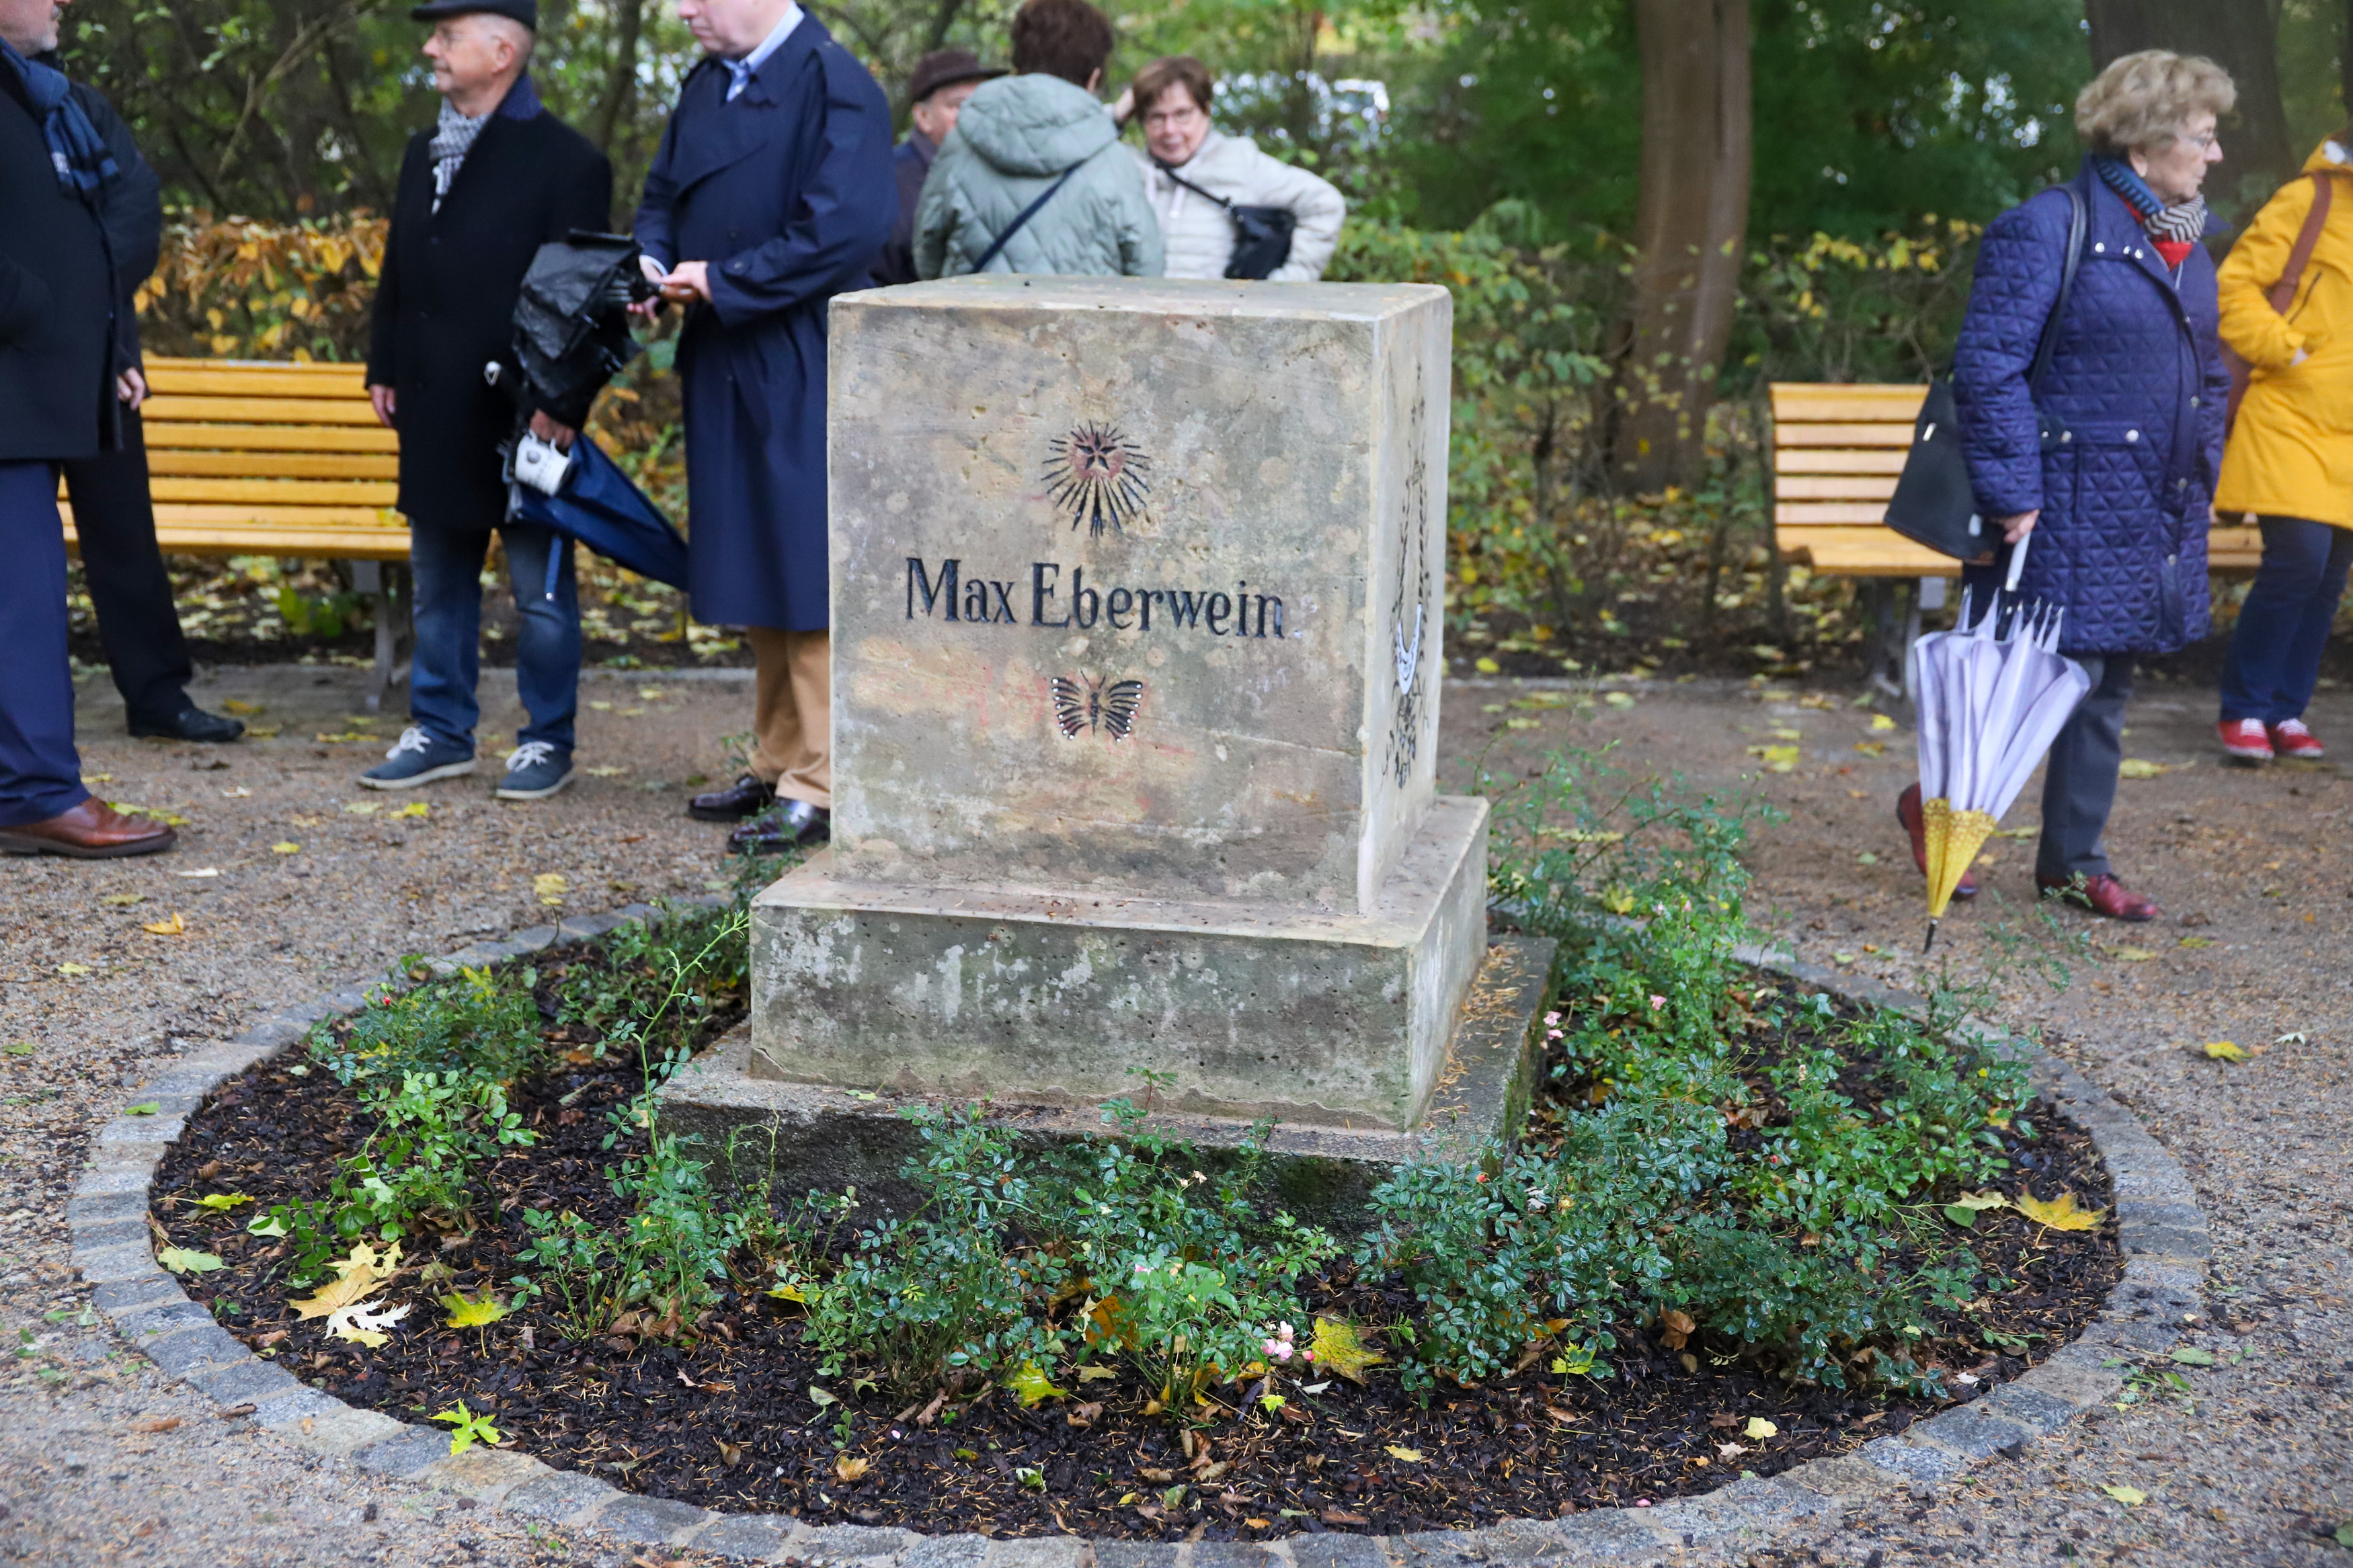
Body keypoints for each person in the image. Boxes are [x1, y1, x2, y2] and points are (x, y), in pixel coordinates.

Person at [1938, 48, 2233, 924]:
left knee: (2103, 687)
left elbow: (2207, 376)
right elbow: (1987, 367)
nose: (2214, 154)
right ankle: (1941, 814)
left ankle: (2073, 864)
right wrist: (2009, 488)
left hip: (2145, 505)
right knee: (2014, 680)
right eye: (2201, 137)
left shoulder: (2189, 246)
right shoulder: (2045, 228)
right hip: (2053, 503)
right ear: (2142, 146)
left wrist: (2201, 470)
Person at [636, 0, 897, 852]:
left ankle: (823, 778)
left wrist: (726, 279)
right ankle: (778, 757)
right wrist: (650, 265)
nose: (684, 9)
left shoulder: (837, 82)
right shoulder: (705, 84)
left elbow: (846, 227)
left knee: (804, 561)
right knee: (754, 557)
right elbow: (661, 195)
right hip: (723, 350)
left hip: (800, 348)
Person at [361, 0, 612, 801]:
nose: (430, 50)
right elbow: (400, 268)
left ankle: (546, 741)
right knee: (438, 584)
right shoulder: (422, 151)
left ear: (501, 52)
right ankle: (440, 731)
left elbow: (585, 296)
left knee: (540, 597)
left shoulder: (569, 161)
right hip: (434, 403)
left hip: (526, 414)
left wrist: (563, 403)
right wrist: (384, 364)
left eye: (447, 37)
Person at [0, 0, 173, 858]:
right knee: (22, 597)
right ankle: (34, 791)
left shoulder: (38, 95)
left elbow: (110, 220)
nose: (60, 0)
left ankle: (29, 787)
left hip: (36, 383)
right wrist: (33, 309)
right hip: (14, 383)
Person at [42, 40, 245, 745]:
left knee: (125, 533)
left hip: (103, 362)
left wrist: (107, 340)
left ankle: (157, 696)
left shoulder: (80, 107)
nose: (63, 1)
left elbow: (134, 210)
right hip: (16, 368)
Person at [2210, 130, 2353, 764]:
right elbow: (2233, 288)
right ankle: (2243, 706)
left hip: (2348, 436)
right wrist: (2288, 351)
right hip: (2287, 414)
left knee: (2328, 576)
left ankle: (2285, 710)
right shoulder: (2309, 199)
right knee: (2300, 557)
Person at [912, 0, 1161, 280]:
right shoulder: (1112, 159)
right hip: (1082, 309)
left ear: (1018, 64)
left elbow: (927, 251)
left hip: (972, 308)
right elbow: (1146, 267)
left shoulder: (962, 142)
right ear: (1094, 77)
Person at [1124, 54, 1345, 282]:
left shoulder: (1240, 164)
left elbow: (1325, 204)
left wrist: (1287, 284)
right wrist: (1116, 115)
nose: (1170, 130)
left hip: (1217, 305)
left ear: (1206, 110)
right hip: (1139, 305)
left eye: (1182, 115)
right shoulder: (1125, 170)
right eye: (1157, 117)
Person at [871, 48, 1003, 288]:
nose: (973, 116)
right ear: (923, 116)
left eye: (981, 104)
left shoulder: (995, 169)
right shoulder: (890, 177)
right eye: (958, 105)